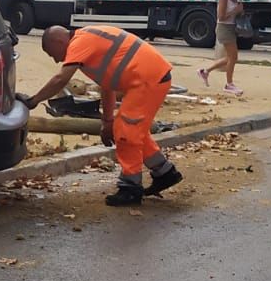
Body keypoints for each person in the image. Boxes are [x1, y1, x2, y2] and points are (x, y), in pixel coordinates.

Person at [23, 24, 184, 207]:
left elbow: (60, 79)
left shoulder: (79, 43)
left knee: (126, 132)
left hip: (147, 80)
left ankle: (130, 189)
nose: (55, 60)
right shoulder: (89, 42)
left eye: (52, 53)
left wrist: (33, 101)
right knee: (132, 130)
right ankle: (164, 172)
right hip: (149, 78)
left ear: (59, 41)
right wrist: (107, 122)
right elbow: (107, 87)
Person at [199, 0, 244, 96]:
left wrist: (240, 10)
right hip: (224, 28)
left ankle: (205, 71)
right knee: (233, 57)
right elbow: (221, 16)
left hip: (232, 27)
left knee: (231, 57)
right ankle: (229, 84)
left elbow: (236, 15)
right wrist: (235, 10)